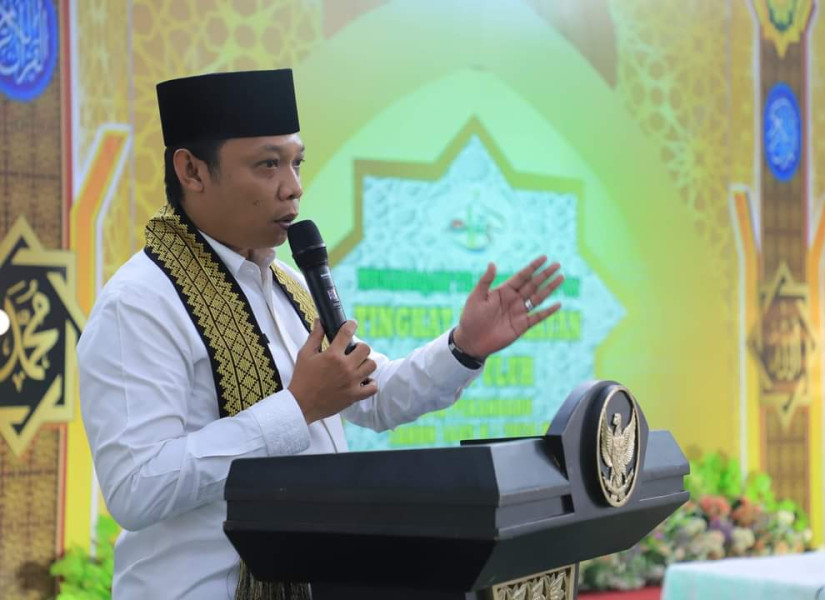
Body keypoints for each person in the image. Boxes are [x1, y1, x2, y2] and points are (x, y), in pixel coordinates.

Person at [77, 69, 564, 600]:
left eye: (296, 162)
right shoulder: (140, 303)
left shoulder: (287, 285)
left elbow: (370, 395)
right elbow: (137, 487)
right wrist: (297, 408)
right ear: (192, 171)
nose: (293, 187)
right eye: (268, 164)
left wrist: (463, 347)